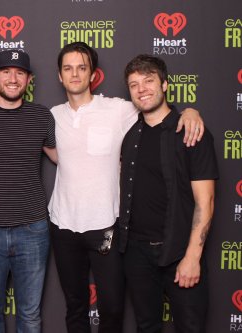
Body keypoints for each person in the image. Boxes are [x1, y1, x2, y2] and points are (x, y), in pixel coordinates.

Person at [48, 42, 204, 333]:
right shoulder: (51, 116)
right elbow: (45, 143)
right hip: (63, 224)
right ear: (59, 75)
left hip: (107, 225)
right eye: (68, 68)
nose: (75, 74)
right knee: (75, 306)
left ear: (93, 74)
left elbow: (158, 111)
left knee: (113, 309)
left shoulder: (119, 109)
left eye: (82, 67)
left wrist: (190, 112)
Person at [119, 54, 218, 333]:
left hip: (179, 252)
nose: (142, 90)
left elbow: (205, 200)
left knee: (190, 327)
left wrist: (192, 257)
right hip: (136, 252)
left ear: (164, 85)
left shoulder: (191, 132)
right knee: (146, 326)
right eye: (134, 84)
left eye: (149, 81)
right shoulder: (131, 135)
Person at [0, 49, 56, 333]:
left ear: (28, 79)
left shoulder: (42, 116)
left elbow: (66, 156)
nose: (13, 78)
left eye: (20, 72)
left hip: (32, 230)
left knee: (30, 316)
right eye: (6, 71)